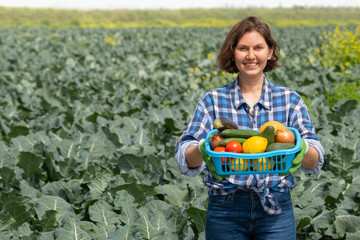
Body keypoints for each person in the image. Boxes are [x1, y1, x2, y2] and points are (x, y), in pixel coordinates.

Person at [175, 16, 324, 239]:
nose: (251, 55)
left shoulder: (291, 100)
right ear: (233, 52)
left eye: (258, 48)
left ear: (270, 51)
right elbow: (184, 158)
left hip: (277, 208)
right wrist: (204, 148)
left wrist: (300, 147)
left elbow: (314, 162)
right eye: (243, 48)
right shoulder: (212, 100)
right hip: (225, 209)